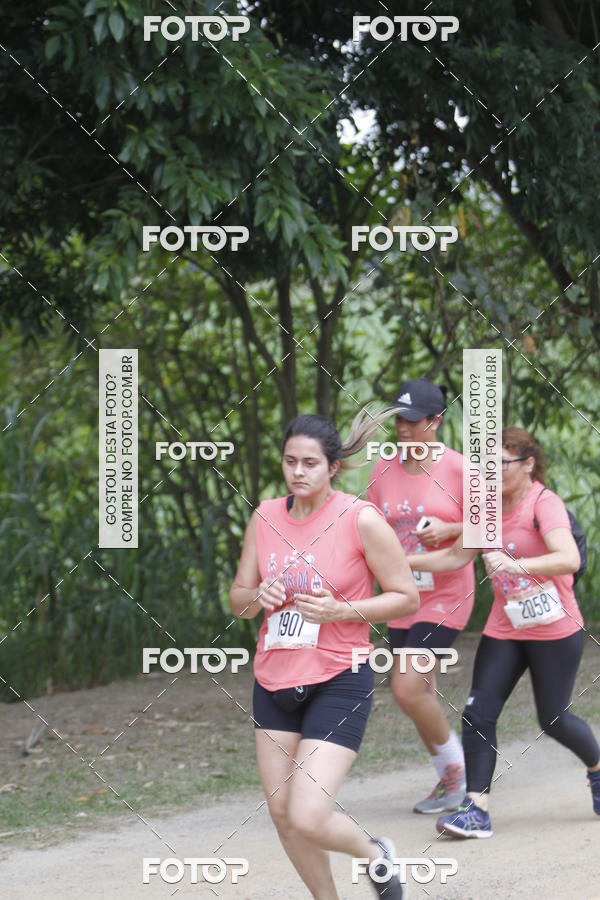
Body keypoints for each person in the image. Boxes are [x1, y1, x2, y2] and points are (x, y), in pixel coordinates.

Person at [229, 413, 419, 898]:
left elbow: (405, 597)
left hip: (340, 675)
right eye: (291, 461)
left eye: (310, 463)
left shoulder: (360, 518)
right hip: (275, 677)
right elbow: (240, 601)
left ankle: (376, 856)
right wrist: (260, 596)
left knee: (307, 813)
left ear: (333, 467)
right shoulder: (265, 515)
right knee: (281, 814)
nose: (298, 471)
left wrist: (343, 609)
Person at [404, 426, 600, 837]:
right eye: (486, 465)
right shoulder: (484, 509)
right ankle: (475, 810)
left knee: (554, 720)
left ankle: (598, 770)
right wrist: (401, 562)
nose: (491, 472)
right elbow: (456, 557)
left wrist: (518, 566)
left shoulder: (544, 504)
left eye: (502, 463)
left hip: (554, 629)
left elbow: (566, 557)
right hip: (506, 628)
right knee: (478, 713)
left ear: (528, 465)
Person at [366, 379, 475, 814]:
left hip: (446, 593)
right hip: (403, 595)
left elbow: (492, 529)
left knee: (407, 688)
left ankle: (459, 772)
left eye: (413, 421)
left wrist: (450, 530)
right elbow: (369, 527)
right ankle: (451, 780)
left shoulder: (461, 470)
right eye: (399, 420)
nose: (404, 429)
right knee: (420, 691)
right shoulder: (383, 469)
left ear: (436, 421)